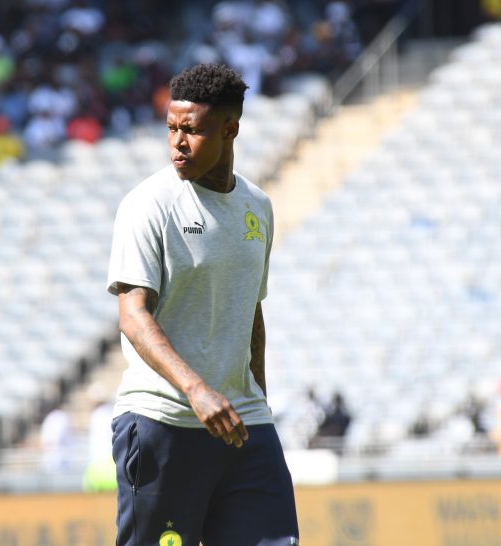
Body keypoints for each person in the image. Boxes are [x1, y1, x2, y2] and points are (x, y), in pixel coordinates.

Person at [105, 63, 298, 546]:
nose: (177, 142)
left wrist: (260, 401)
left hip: (243, 425)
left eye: (192, 130)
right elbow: (132, 315)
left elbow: (252, 311)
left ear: (230, 129)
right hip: (162, 422)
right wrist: (197, 390)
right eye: (171, 128)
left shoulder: (258, 207)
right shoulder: (148, 205)